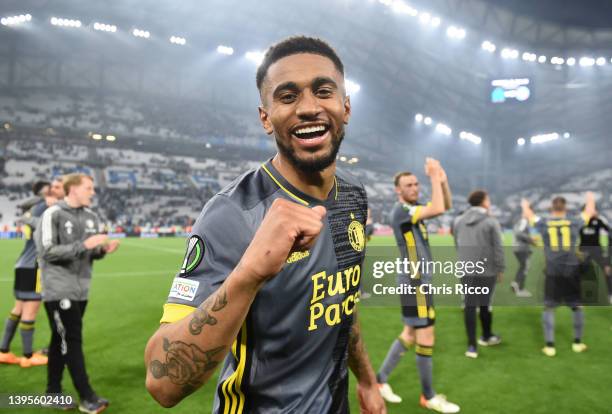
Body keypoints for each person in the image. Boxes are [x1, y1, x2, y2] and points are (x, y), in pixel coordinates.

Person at [144, 36, 385, 414]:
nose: (308, 108)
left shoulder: (353, 196)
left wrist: (368, 381)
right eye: (287, 97)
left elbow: (343, 304)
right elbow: (162, 384)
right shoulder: (232, 213)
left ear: (346, 107)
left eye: (323, 91)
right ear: (265, 117)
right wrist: (250, 272)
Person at [376, 161, 460, 413]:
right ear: (398, 191)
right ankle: (428, 396)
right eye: (408, 185)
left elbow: (445, 205)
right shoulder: (401, 211)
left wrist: (442, 181)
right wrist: (434, 177)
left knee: (409, 334)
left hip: (417, 282)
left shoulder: (411, 208)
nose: (414, 188)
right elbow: (437, 207)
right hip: (415, 284)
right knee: (426, 336)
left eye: (416, 183)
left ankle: (379, 381)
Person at [35, 173, 120, 413]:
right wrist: (86, 245)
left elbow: (89, 253)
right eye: (89, 188)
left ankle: (52, 393)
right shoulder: (53, 214)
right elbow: (47, 251)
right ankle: (87, 397)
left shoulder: (91, 216)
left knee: (59, 340)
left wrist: (102, 250)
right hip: (58, 288)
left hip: (81, 289)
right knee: (72, 340)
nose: (93, 192)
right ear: (72, 189)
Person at [521, 194, 595, 357]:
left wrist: (525, 204)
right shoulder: (574, 221)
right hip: (572, 269)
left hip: (553, 270)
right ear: (565, 208)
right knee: (576, 306)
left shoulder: (544, 223)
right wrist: (590, 198)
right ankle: (577, 343)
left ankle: (550, 346)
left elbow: (529, 215)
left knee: (549, 307)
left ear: (551, 208)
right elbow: (589, 212)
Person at [0, 180, 62, 367]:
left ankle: (4, 351)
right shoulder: (44, 207)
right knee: (30, 310)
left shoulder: (33, 208)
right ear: (44, 193)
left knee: (17, 309)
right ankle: (28, 356)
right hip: (35, 267)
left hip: (22, 264)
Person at [452, 190, 505, 359]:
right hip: (486, 270)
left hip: (466, 268)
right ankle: (487, 336)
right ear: (483, 201)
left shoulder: (458, 221)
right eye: (488, 198)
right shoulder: (491, 221)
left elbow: (457, 243)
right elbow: (498, 247)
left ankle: (471, 346)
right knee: (485, 304)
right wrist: (500, 268)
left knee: (469, 305)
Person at [578, 206, 611, 304]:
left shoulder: (599, 221)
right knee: (578, 273)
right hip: (583, 251)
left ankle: (610, 294)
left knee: (607, 271)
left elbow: (609, 231)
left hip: (597, 250)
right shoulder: (579, 222)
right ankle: (576, 296)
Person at [511, 213, 536, 297]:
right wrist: (530, 239)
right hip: (521, 248)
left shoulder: (521, 221)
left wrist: (531, 242)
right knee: (525, 266)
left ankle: (516, 284)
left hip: (519, 247)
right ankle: (520, 289)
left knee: (523, 266)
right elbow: (519, 233)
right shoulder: (524, 221)